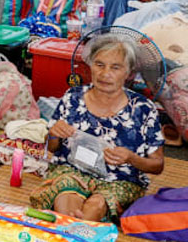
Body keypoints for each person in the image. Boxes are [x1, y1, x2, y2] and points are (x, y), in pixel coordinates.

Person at [31, 34, 164, 222]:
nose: (105, 73)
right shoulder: (73, 97)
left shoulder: (144, 109)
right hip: (72, 170)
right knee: (66, 195)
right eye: (99, 64)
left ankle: (72, 231)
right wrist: (53, 134)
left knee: (98, 204)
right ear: (90, 65)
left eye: (115, 67)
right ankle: (74, 228)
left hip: (119, 180)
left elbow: (157, 165)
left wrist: (131, 158)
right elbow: (52, 148)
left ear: (129, 73)